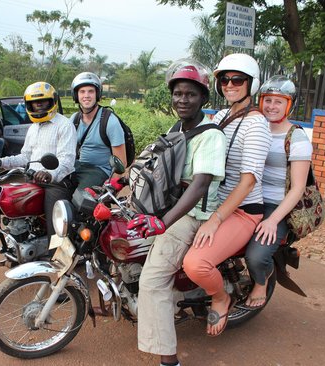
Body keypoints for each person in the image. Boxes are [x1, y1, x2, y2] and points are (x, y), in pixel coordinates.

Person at [129, 59, 227, 366]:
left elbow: (199, 186)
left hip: (190, 216)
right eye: (178, 93)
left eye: (191, 94)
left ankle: (169, 360)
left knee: (152, 281)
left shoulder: (210, 135)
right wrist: (119, 179)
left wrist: (162, 221)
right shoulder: (177, 127)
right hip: (168, 208)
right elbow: (151, 160)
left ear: (204, 99)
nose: (182, 99)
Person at [183, 53, 272, 337]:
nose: (229, 84)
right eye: (224, 79)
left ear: (251, 83)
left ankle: (221, 297)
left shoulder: (256, 124)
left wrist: (216, 220)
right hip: (211, 201)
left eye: (237, 79)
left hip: (242, 209)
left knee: (195, 263)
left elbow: (247, 182)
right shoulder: (222, 116)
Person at [244, 76, 312, 308]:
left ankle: (262, 281)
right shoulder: (252, 127)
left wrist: (273, 220)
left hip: (277, 206)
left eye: (278, 101)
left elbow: (298, 188)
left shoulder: (296, 137)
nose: (271, 106)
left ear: (289, 105)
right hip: (248, 199)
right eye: (267, 100)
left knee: (256, 255)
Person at [0, 82, 77, 237]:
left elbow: (67, 160)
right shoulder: (33, 128)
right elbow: (26, 156)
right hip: (32, 178)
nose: (39, 105)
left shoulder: (64, 125)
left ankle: (56, 254)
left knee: (55, 227)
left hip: (55, 183)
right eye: (35, 102)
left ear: (53, 101)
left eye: (43, 101)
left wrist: (50, 174)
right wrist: (1, 162)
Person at [69, 72, 126, 190]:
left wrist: (109, 187)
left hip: (100, 170)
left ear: (97, 94)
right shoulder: (74, 119)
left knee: (81, 200)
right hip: (78, 166)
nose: (86, 95)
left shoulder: (110, 122)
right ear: (76, 95)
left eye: (91, 91)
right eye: (82, 91)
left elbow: (121, 162)